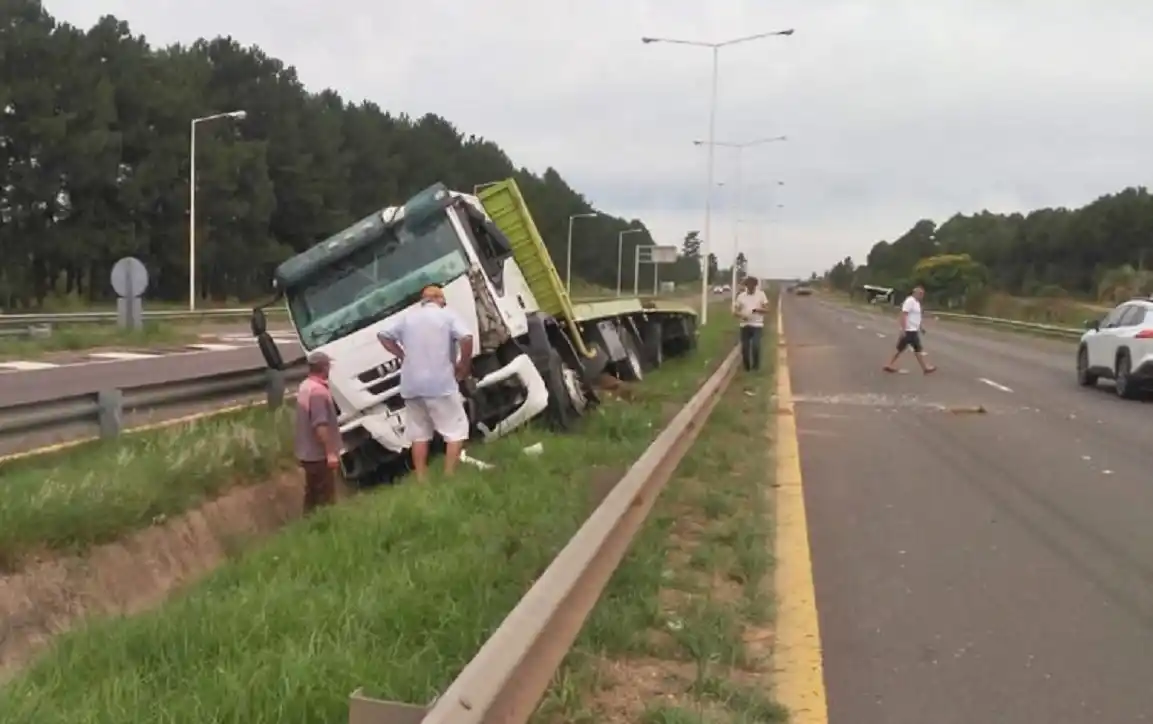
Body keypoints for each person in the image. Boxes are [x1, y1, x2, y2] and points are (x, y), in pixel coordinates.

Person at [377, 285, 474, 480]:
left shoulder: (407, 318)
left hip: (411, 386)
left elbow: (383, 335)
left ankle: (421, 478)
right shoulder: (447, 316)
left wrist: (401, 354)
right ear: (440, 299)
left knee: (419, 433)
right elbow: (466, 337)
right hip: (440, 384)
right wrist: (463, 364)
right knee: (456, 430)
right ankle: (449, 475)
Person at [294, 349, 342, 513]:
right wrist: (330, 453)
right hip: (318, 455)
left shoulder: (305, 386)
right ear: (324, 367)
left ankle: (309, 524)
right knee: (326, 498)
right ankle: (327, 524)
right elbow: (320, 426)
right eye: (328, 366)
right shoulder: (318, 392)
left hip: (306, 453)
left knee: (312, 496)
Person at [884, 285, 937, 374]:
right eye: (920, 293)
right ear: (915, 293)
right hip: (909, 330)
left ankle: (925, 368)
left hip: (913, 330)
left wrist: (920, 327)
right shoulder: (910, 301)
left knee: (911, 349)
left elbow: (916, 317)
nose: (922, 296)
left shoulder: (917, 303)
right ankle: (925, 368)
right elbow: (904, 314)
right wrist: (903, 329)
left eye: (922, 294)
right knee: (907, 349)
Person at [733, 276, 770, 371]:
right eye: (748, 285)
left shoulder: (761, 295)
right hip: (745, 324)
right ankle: (747, 367)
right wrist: (741, 315)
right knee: (745, 348)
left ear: (755, 285)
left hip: (757, 324)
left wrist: (758, 310)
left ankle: (756, 367)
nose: (750, 287)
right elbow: (735, 311)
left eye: (752, 285)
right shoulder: (741, 296)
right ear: (746, 286)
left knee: (755, 346)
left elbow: (767, 309)